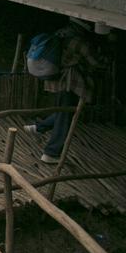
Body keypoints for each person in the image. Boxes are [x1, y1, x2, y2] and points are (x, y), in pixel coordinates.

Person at [25, 18, 106, 163]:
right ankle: (51, 152)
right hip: (70, 82)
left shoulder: (60, 34)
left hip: (56, 80)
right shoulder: (79, 41)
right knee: (66, 116)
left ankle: (39, 128)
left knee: (65, 112)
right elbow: (97, 62)